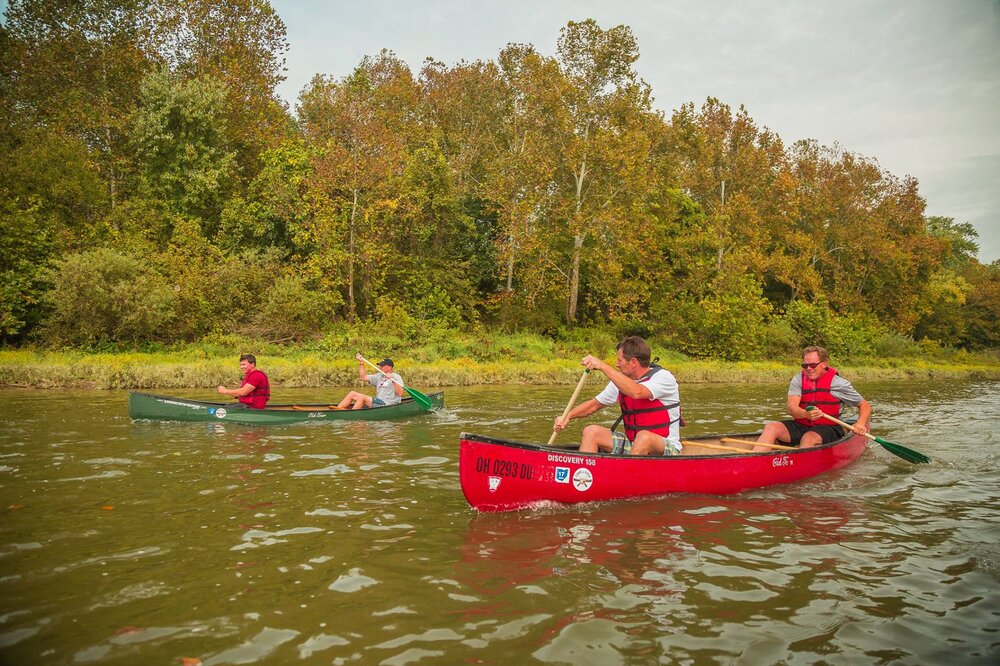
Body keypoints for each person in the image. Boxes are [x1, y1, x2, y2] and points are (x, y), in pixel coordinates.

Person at [552, 336, 683, 456]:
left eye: (620, 360)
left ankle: (625, 472)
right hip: (634, 444)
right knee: (591, 431)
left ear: (633, 362)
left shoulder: (663, 377)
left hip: (666, 447)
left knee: (644, 437)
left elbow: (637, 392)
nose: (617, 364)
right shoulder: (621, 380)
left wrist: (602, 365)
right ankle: (585, 472)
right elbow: (594, 405)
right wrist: (568, 416)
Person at [754, 345, 871, 450]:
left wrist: (860, 423)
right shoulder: (798, 379)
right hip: (802, 425)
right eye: (805, 365)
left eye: (813, 365)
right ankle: (755, 460)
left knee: (809, 438)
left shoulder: (839, 384)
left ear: (824, 364)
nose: (809, 368)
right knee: (771, 427)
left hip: (830, 428)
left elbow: (864, 405)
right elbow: (791, 408)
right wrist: (805, 414)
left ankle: (801, 463)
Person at [336, 354, 404, 410]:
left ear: (389, 367)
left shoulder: (396, 376)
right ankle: (338, 410)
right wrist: (361, 363)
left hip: (387, 403)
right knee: (352, 393)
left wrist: (392, 380)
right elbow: (363, 377)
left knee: (362, 397)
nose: (380, 367)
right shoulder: (379, 376)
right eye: (380, 365)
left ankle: (352, 415)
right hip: (378, 401)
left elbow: (400, 393)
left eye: (382, 366)